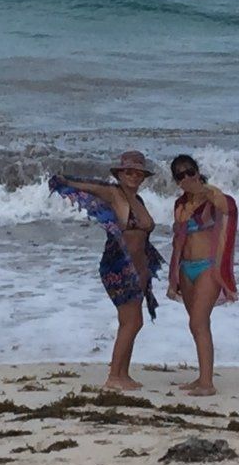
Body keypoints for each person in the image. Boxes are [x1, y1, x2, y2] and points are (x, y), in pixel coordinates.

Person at [49, 152, 162, 391]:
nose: (134, 176)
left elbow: (145, 230)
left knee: (132, 322)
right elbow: (90, 186)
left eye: (138, 173)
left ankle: (122, 373)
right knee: (131, 322)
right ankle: (114, 377)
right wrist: (65, 180)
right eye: (129, 171)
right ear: (120, 173)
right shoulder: (114, 194)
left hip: (140, 269)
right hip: (119, 267)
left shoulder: (137, 200)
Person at [166, 153, 237, 396]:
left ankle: (208, 383)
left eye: (190, 171)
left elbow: (228, 207)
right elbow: (178, 240)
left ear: (197, 171)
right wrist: (173, 276)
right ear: (176, 180)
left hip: (208, 267)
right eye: (180, 175)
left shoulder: (212, 199)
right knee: (198, 325)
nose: (186, 177)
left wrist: (204, 190)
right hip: (186, 268)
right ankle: (202, 377)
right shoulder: (180, 205)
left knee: (197, 321)